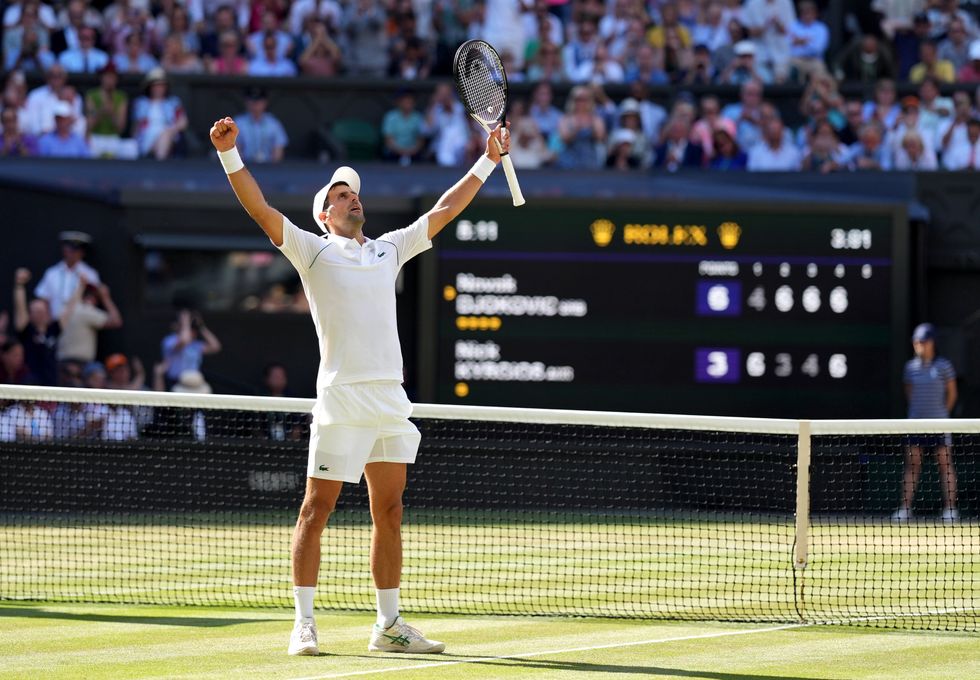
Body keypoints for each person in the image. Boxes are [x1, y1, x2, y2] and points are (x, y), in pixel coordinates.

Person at [208, 108, 510, 656]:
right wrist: (230, 152)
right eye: (343, 194)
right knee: (314, 510)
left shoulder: (389, 248)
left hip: (389, 399)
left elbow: (444, 208)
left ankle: (388, 626)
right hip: (341, 399)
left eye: (356, 193)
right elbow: (258, 207)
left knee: (389, 512)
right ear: (325, 213)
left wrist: (487, 161)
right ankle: (304, 623)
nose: (354, 199)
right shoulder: (311, 249)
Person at [892, 323, 959, 523]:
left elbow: (952, 394)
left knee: (946, 466)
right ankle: (905, 509)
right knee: (912, 466)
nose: (919, 344)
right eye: (916, 341)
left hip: (940, 425)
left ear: (932, 343)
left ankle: (951, 510)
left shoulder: (944, 366)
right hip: (915, 425)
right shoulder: (909, 368)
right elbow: (909, 393)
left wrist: (940, 414)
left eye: (923, 340)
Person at [34, 230, 100, 319]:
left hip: (78, 325)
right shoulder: (52, 273)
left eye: (77, 250)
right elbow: (43, 299)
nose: (73, 253)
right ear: (64, 249)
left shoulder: (90, 274)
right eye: (71, 249)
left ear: (83, 253)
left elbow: (92, 301)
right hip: (54, 324)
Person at [58, 275, 122, 363]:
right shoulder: (86, 310)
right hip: (78, 364)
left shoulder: (65, 309)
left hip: (61, 362)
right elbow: (116, 321)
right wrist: (106, 298)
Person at [13, 267, 60, 386]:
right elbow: (20, 308)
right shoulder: (27, 330)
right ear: (30, 314)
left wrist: (80, 286)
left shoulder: (53, 330)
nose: (41, 314)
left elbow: (69, 309)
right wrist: (19, 285)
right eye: (37, 311)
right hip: (30, 386)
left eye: (43, 311)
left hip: (52, 387)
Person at [160, 309, 222, 388]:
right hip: (176, 383)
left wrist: (201, 326)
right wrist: (185, 323)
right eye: (191, 328)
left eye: (193, 329)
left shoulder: (195, 344)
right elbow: (184, 341)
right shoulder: (170, 340)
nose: (193, 331)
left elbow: (216, 347)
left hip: (193, 383)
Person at [235, 86, 288, 163]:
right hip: (244, 168)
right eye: (252, 102)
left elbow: (278, 153)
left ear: (265, 103)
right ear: (246, 102)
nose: (255, 106)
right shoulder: (238, 122)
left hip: (269, 168)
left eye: (258, 102)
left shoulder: (273, 123)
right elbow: (235, 150)